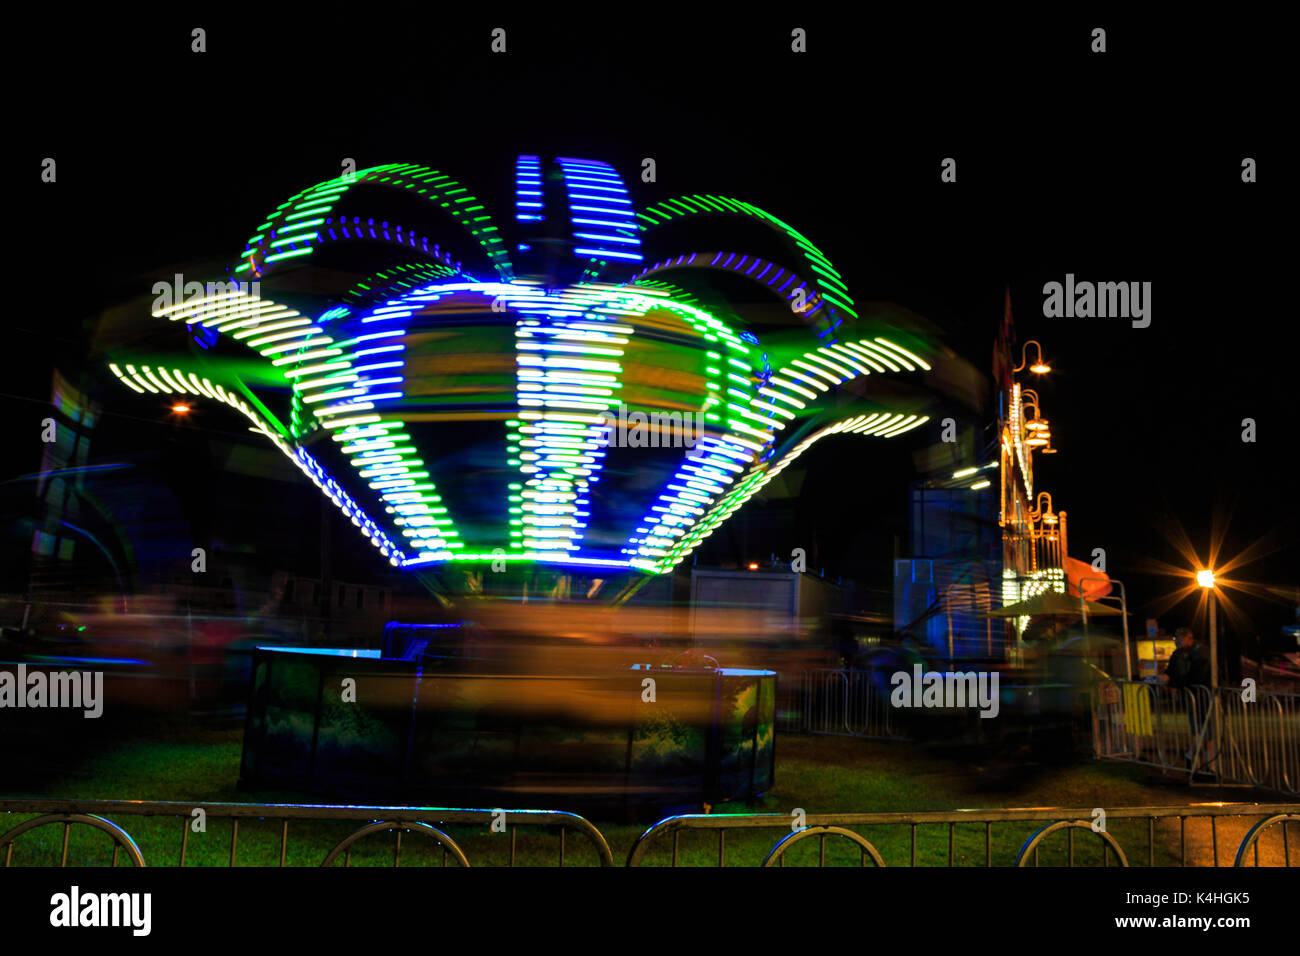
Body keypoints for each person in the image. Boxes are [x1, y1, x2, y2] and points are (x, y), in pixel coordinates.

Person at [1160, 627, 1215, 774]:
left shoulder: (1200, 651)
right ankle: (1203, 765)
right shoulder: (1178, 654)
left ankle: (1206, 765)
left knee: (1207, 734)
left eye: (1179, 639)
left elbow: (1198, 673)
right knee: (1201, 732)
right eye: (1176, 639)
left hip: (1203, 695)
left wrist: (1176, 683)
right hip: (1192, 697)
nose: (1177, 642)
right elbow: (1171, 670)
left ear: (1188, 638)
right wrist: (1167, 677)